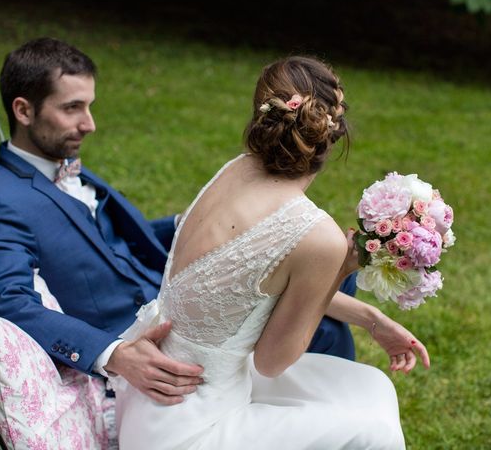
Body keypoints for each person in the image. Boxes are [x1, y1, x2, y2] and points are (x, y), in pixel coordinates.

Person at [0, 38, 428, 409]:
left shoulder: (56, 161)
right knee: (324, 315)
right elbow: (6, 302)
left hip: (166, 289)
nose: (90, 124)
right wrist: (113, 354)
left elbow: (100, 240)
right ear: (23, 111)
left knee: (320, 278)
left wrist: (210, 229)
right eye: (72, 108)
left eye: (90, 106)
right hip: (145, 327)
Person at [114, 56, 429, 449]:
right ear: (334, 136)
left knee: (369, 387)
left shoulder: (235, 170)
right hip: (191, 427)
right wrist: (340, 267)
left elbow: (246, 291)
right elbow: (272, 362)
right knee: (374, 432)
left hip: (152, 404)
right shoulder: (316, 236)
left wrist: (373, 319)